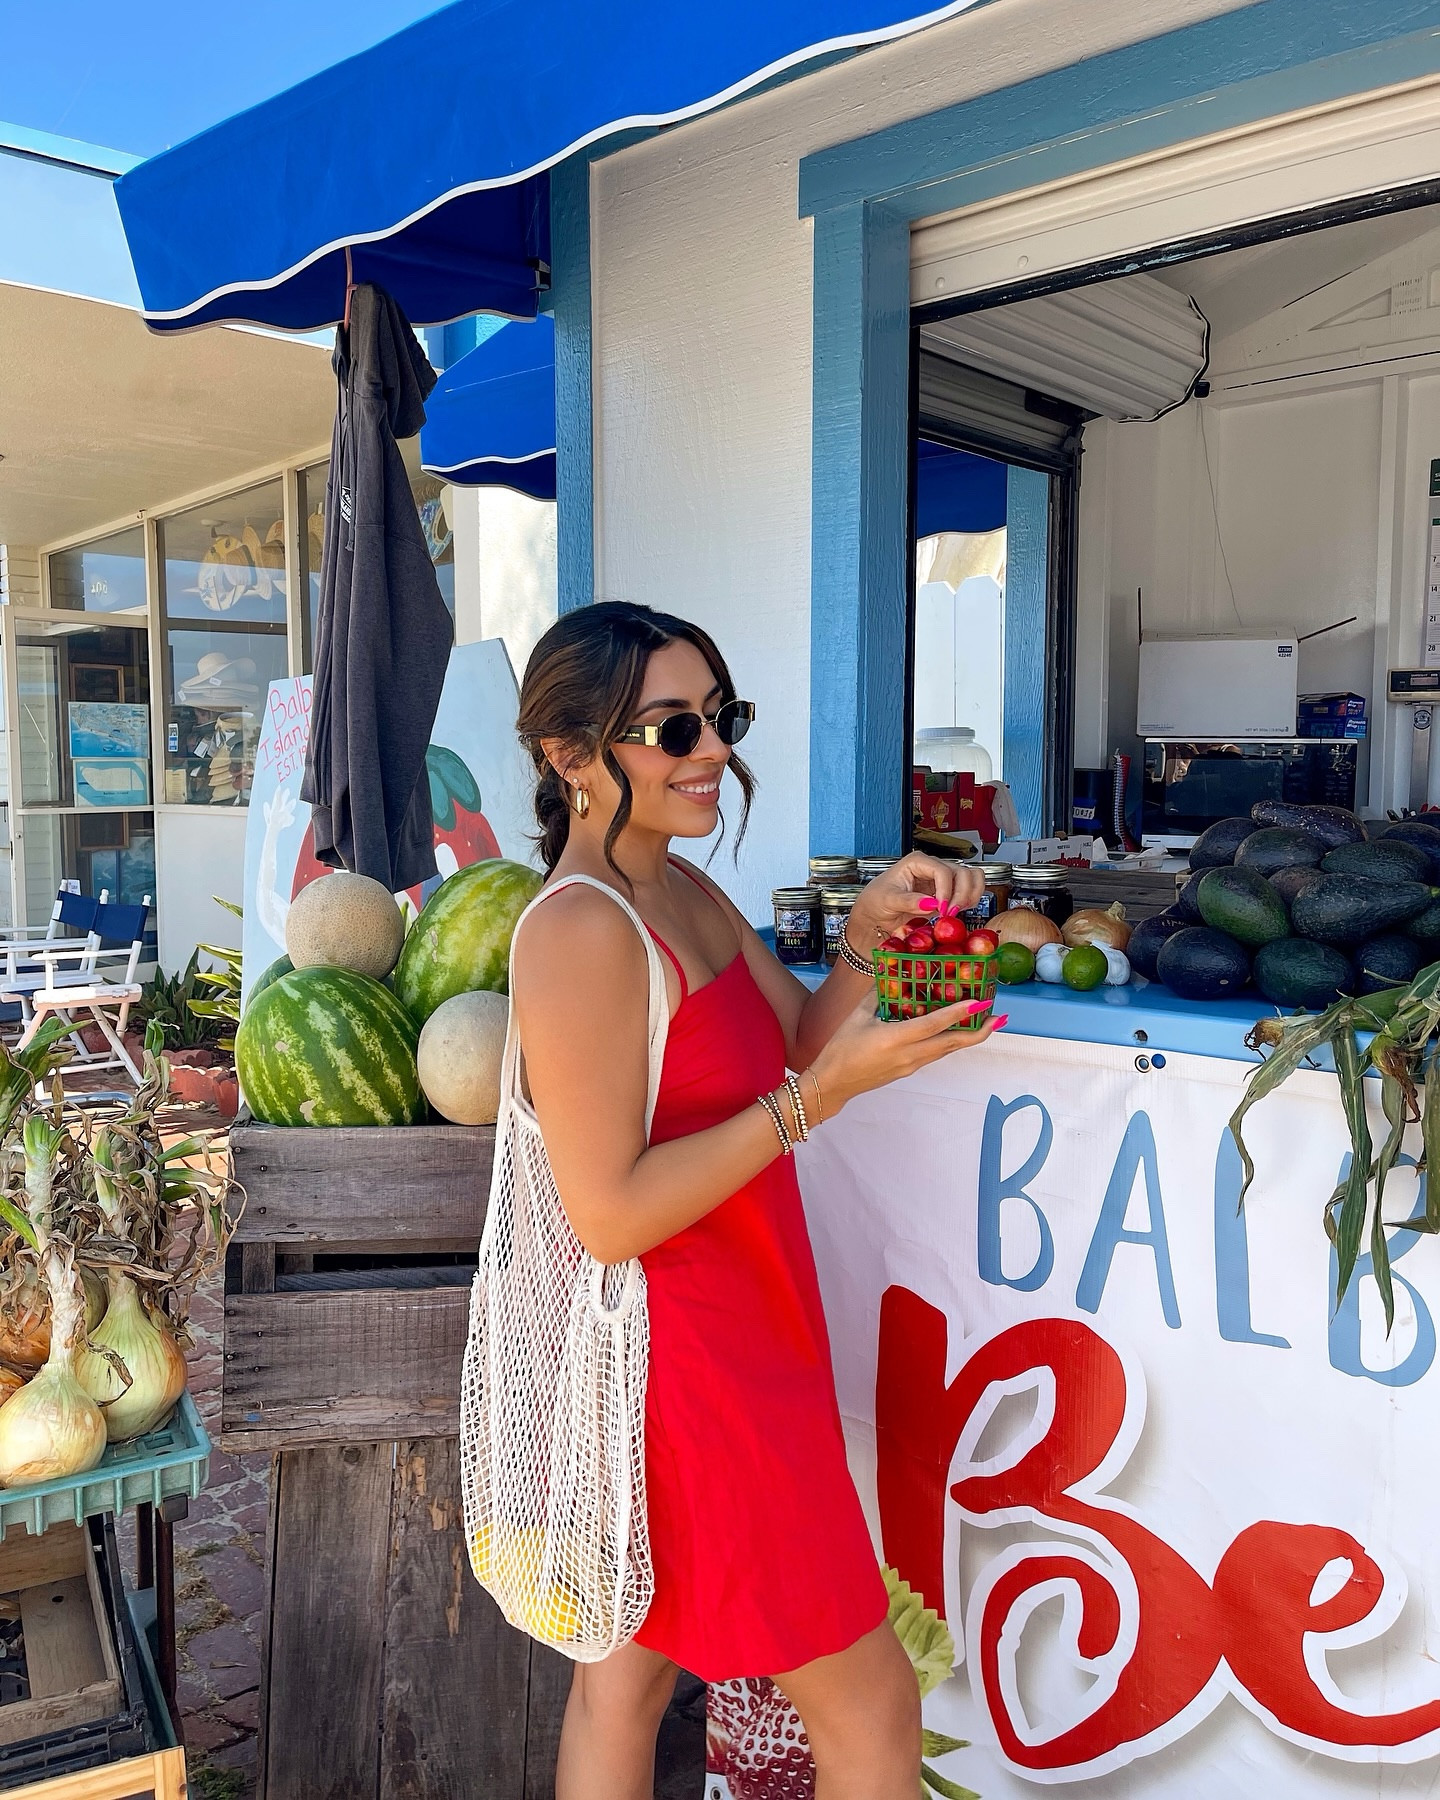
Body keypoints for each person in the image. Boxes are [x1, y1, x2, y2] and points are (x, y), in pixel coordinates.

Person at [511, 602, 1005, 1800]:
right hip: (685, 1372)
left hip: (740, 1334)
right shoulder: (580, 929)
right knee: (872, 1704)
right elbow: (609, 1215)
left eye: (720, 718)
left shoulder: (675, 884)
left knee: (624, 1681)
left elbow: (791, 1042)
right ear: (568, 757)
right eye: (669, 726)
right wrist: (813, 1106)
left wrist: (865, 944)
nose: (711, 751)